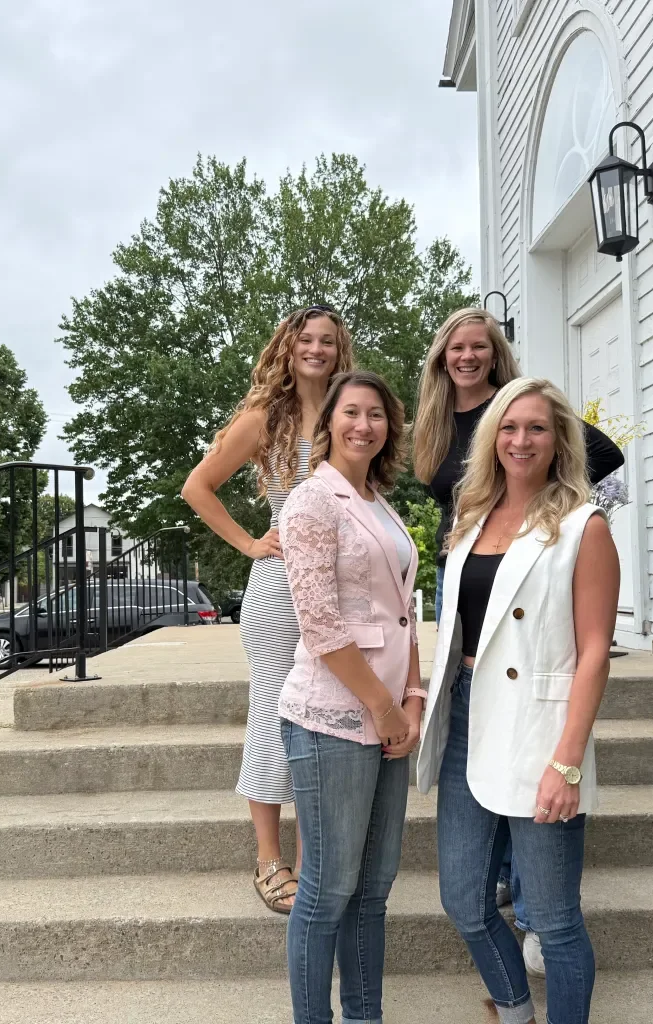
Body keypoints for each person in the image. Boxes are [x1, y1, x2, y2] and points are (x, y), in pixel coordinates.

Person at [412, 307, 624, 973]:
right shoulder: (437, 426)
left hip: (530, 567)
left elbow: (605, 457)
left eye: (479, 346)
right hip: (469, 556)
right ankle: (511, 986)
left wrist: (565, 535)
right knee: (465, 889)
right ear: (442, 359)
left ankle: (532, 913)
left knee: (556, 918)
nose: (467, 356)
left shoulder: (525, 412)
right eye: (456, 348)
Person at [181, 304, 354, 914]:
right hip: (280, 583)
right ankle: (267, 857)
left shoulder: (346, 411)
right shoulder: (263, 417)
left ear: (340, 350)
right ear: (288, 346)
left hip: (340, 582)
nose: (316, 349)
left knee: (324, 716)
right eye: (305, 339)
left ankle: (311, 857)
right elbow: (196, 487)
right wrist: (250, 542)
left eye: (327, 341)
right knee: (273, 713)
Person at [278, 370, 423, 1024]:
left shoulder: (378, 503)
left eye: (377, 415)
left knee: (373, 891)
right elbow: (320, 624)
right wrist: (384, 706)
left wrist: (412, 698)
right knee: (326, 891)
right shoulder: (312, 502)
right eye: (352, 413)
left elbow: (403, 614)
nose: (364, 425)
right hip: (332, 720)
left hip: (390, 718)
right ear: (329, 423)